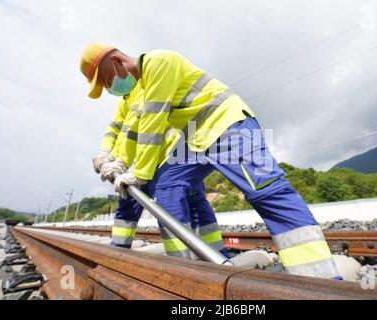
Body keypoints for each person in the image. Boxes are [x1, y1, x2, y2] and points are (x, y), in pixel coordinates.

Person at [80, 43, 341, 279]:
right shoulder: (142, 87)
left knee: (268, 190)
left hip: (230, 127)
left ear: (115, 62)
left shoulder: (158, 62)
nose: (108, 88)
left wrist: (138, 173)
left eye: (105, 81)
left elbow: (153, 124)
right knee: (167, 188)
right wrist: (117, 160)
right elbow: (135, 130)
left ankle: (321, 279)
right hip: (195, 140)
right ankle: (185, 271)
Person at [85, 45, 227, 258]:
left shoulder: (145, 86)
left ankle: (185, 264)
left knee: (173, 201)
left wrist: (119, 161)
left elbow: (134, 132)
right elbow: (115, 129)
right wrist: (105, 153)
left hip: (164, 157)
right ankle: (213, 256)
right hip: (156, 158)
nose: (109, 88)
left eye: (107, 82)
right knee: (191, 202)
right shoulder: (126, 100)